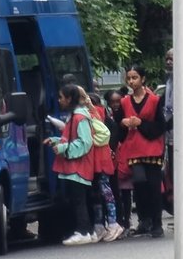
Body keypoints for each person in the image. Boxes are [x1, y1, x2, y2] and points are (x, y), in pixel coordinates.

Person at [114, 66, 165, 238]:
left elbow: (160, 126)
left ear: (142, 79)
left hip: (152, 147)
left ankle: (157, 223)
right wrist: (123, 123)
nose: (131, 81)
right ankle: (145, 219)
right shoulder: (124, 102)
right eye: (129, 78)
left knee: (154, 186)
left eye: (134, 77)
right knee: (140, 184)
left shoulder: (155, 100)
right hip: (134, 149)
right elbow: (118, 126)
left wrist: (140, 123)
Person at [43, 84, 96, 246]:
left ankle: (83, 231)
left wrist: (63, 148)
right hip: (76, 166)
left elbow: (85, 142)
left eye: (61, 97)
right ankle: (87, 230)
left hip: (78, 166)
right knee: (80, 199)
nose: (59, 100)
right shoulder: (74, 117)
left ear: (69, 98)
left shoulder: (79, 118)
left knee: (78, 200)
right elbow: (72, 139)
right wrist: (56, 141)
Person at [82, 89, 124, 242]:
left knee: (103, 192)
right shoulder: (100, 115)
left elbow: (104, 135)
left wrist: (88, 142)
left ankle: (111, 223)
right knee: (100, 192)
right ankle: (103, 224)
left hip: (98, 158)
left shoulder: (93, 116)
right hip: (100, 158)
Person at [104, 89, 133, 234]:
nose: (116, 104)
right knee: (116, 191)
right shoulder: (108, 118)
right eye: (112, 102)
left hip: (125, 156)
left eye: (118, 101)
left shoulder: (126, 116)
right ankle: (120, 220)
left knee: (126, 191)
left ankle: (126, 221)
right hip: (115, 158)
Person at [162, 48, 174, 215]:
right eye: (167, 58)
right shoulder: (169, 80)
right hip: (170, 135)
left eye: (172, 58)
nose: (169, 62)